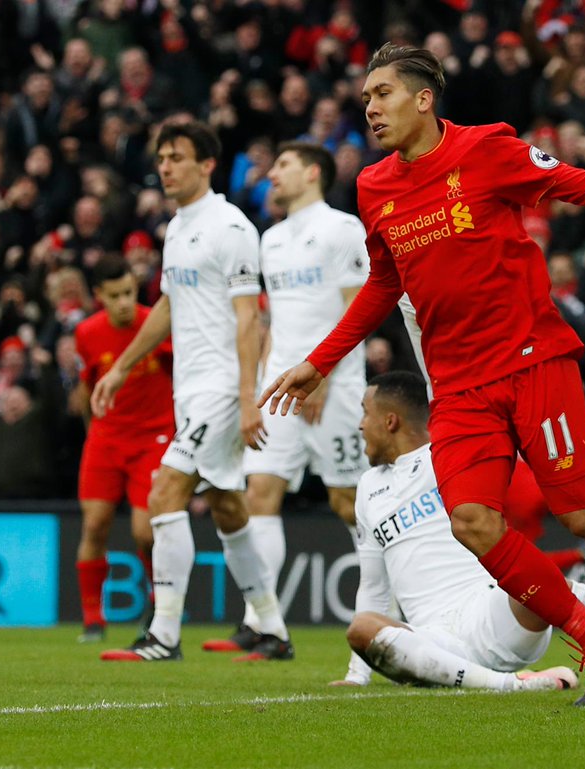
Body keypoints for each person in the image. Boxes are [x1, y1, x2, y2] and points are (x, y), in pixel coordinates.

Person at [260, 44, 585, 705]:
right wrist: (319, 361)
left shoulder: (486, 151)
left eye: (383, 93)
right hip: (458, 383)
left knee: (584, 516)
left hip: (531, 359)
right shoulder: (373, 187)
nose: (370, 108)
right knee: (472, 521)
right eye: (365, 98)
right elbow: (385, 282)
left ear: (424, 99)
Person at [338, 371, 585, 694]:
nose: (359, 424)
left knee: (548, 583)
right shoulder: (368, 489)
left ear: (390, 421)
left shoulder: (449, 455)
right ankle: (512, 685)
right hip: (433, 641)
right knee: (363, 628)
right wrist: (358, 675)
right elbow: (373, 588)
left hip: (493, 613)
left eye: (365, 413)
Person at [91, 121, 291, 662]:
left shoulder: (231, 227)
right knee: (227, 507)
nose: (165, 167)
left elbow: (249, 318)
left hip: (223, 389)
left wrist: (247, 398)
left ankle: (164, 633)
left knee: (164, 494)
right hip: (192, 390)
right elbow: (167, 305)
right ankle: (273, 629)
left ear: (206, 165)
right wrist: (122, 368)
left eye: (177, 157)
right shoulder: (177, 229)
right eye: (161, 158)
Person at [203, 141, 370, 656]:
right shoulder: (270, 239)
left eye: (283, 165)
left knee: (349, 502)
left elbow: (357, 309)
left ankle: (392, 609)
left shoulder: (342, 228)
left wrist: (322, 373)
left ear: (313, 172)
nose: (271, 174)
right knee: (259, 494)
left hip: (333, 386)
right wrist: (259, 383)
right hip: (279, 387)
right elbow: (275, 319)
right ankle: (263, 623)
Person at [72, 256, 175, 643]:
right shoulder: (87, 333)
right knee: (94, 524)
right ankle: (92, 620)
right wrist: (93, 433)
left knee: (145, 531)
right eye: (115, 295)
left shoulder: (157, 323)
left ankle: (157, 604)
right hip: (106, 437)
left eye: (129, 293)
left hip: (153, 437)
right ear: (99, 295)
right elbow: (88, 388)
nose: (124, 303)